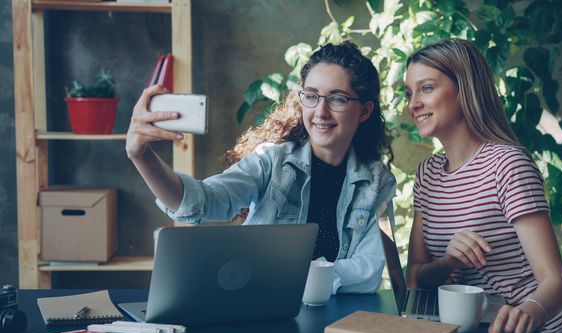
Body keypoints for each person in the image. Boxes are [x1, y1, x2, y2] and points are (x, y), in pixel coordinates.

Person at [126, 41, 397, 294]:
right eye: (311, 96)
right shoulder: (271, 162)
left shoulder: (377, 183)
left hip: (335, 319)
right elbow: (202, 201)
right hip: (260, 307)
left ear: (364, 111)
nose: (320, 111)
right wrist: (141, 155)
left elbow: (368, 273)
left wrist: (282, 273)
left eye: (337, 99)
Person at [403, 39, 562, 333]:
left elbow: (556, 283)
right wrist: (448, 262)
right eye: (408, 93)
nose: (412, 104)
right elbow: (414, 279)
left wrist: (526, 313)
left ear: (464, 89)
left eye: (426, 88)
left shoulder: (507, 164)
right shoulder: (427, 174)